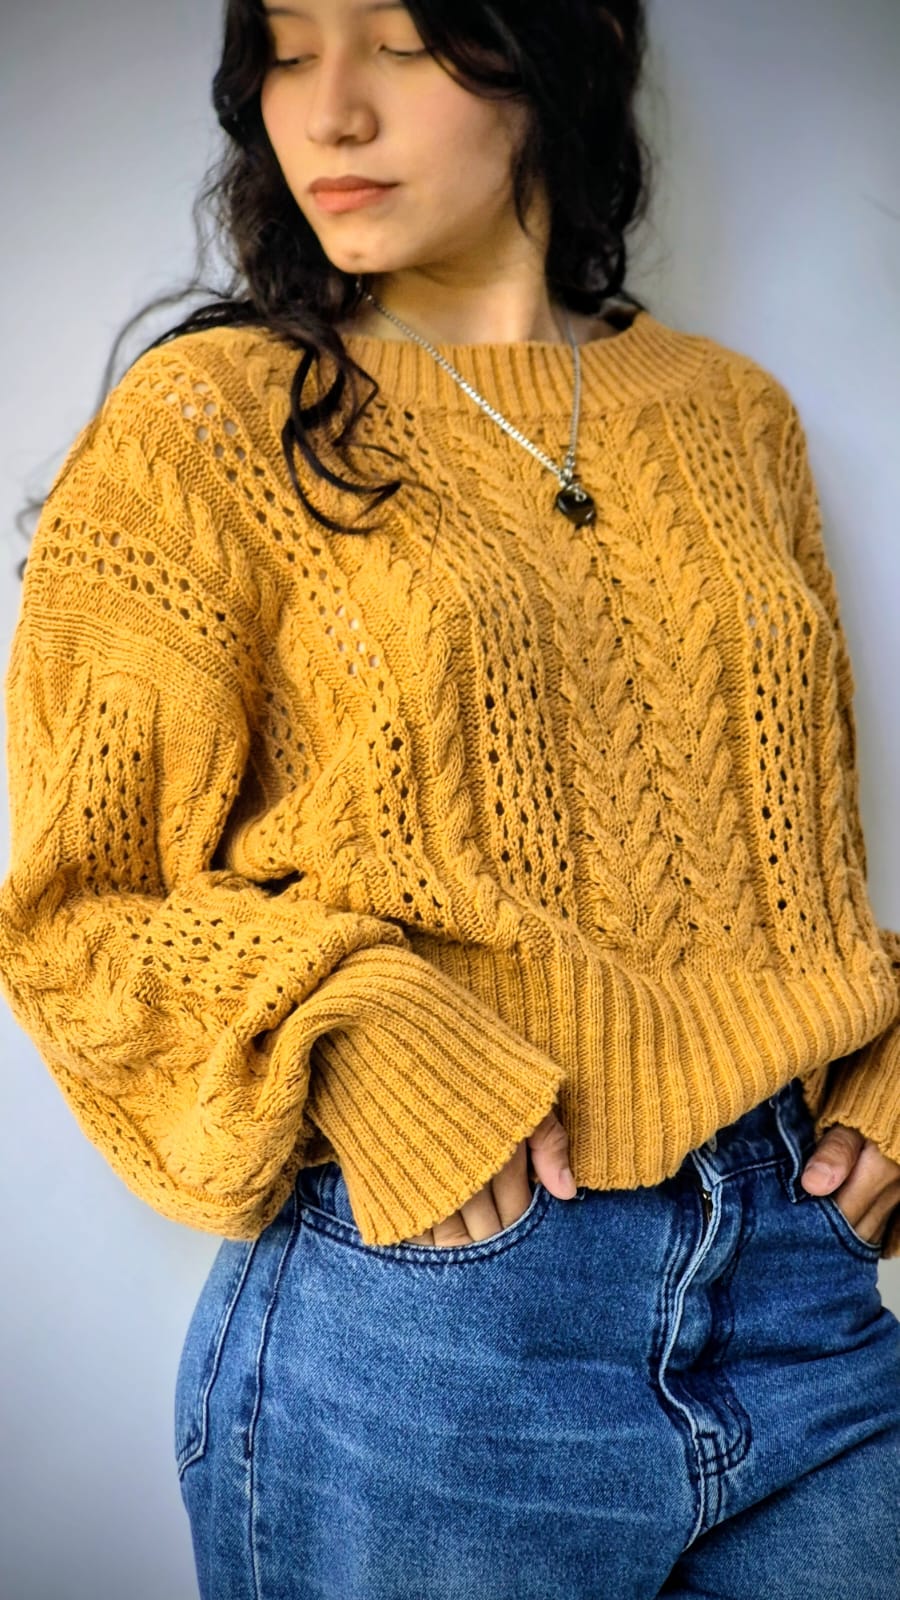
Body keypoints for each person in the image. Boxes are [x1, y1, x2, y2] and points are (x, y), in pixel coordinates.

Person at [2, 1, 899, 1595]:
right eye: (288, 50)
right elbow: (78, 904)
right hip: (433, 1321)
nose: (329, 110)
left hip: (804, 1301)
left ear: (548, 54)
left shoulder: (736, 418)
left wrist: (885, 1057)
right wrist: (355, 1024)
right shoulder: (209, 428)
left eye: (398, 41)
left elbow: (786, 861)